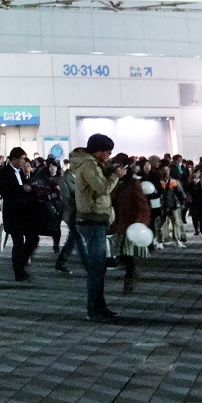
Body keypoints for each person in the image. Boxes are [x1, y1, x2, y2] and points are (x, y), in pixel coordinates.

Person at [71, 136, 119, 323]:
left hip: (96, 219)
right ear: (99, 150)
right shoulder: (89, 165)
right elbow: (102, 188)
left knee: (99, 268)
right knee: (96, 268)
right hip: (92, 220)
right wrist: (115, 175)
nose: (109, 155)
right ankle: (94, 309)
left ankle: (100, 306)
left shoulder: (92, 164)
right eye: (108, 151)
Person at [0, 147, 42, 281]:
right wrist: (21, 188)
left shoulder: (21, 172)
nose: (23, 161)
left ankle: (21, 266)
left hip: (25, 212)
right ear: (15, 159)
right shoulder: (5, 172)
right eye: (22, 159)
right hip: (13, 213)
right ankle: (18, 272)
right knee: (18, 242)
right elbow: (5, 190)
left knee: (33, 238)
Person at [110, 156, 151, 295]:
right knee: (122, 254)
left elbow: (143, 205)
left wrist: (140, 223)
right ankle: (131, 275)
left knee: (127, 255)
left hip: (131, 224)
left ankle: (129, 279)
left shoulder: (133, 184)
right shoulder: (116, 182)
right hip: (120, 223)